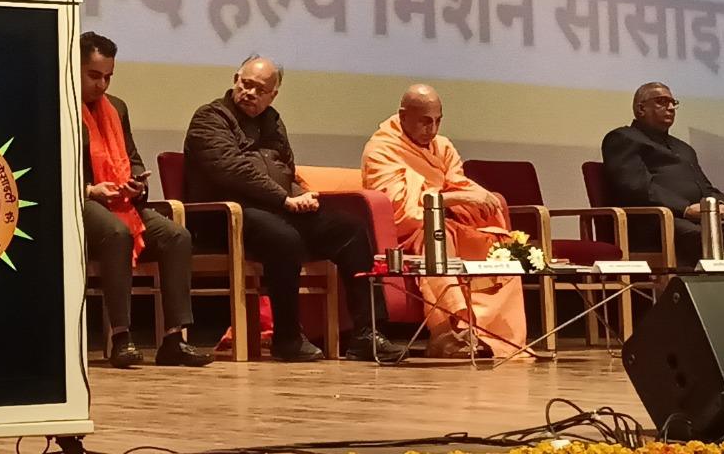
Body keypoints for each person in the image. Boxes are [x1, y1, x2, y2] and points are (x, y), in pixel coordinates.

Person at [184, 57, 404, 362]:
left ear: (273, 95)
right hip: (224, 215)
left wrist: (302, 196)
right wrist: (284, 200)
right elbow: (231, 170)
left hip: (274, 209)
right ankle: (287, 338)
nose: (250, 93)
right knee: (283, 238)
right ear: (236, 79)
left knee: (350, 230)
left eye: (260, 90)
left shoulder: (272, 121)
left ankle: (368, 334)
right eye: (246, 84)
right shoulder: (210, 118)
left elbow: (285, 170)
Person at [361, 84, 529, 358]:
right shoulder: (382, 149)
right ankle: (447, 332)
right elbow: (400, 210)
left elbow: (458, 183)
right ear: (403, 116)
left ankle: (493, 335)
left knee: (495, 241)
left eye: (438, 120)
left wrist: (479, 196)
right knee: (436, 236)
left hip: (443, 222)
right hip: (406, 234)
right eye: (425, 121)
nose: (433, 129)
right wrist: (453, 199)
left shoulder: (442, 146)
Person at [80, 32, 212, 369]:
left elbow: (133, 158)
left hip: (120, 201)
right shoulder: (59, 106)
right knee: (116, 233)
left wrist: (137, 184)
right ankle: (121, 337)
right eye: (94, 76)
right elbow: (50, 169)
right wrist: (91, 190)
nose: (102, 85)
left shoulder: (117, 108)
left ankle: (174, 339)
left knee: (176, 236)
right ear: (74, 68)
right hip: (80, 200)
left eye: (108, 77)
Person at [602, 82, 724, 265]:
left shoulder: (683, 148)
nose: (671, 107)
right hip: (657, 222)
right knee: (707, 240)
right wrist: (685, 209)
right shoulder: (623, 138)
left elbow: (705, 187)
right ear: (641, 109)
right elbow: (637, 187)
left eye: (673, 103)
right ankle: (718, 278)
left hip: (699, 222)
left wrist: (720, 205)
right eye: (662, 101)